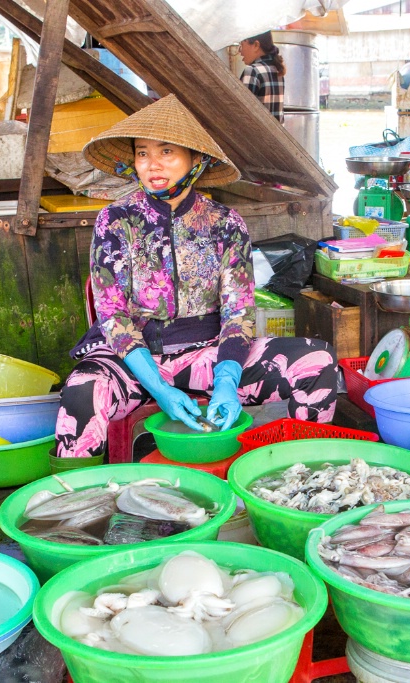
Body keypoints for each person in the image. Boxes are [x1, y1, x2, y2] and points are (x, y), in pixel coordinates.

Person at [57, 94, 338, 460]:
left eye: (166, 152)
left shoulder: (225, 223)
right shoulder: (115, 221)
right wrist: (158, 387)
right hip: (130, 359)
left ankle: (306, 480)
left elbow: (238, 313)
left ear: (195, 160)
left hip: (206, 354)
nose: (152, 164)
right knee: (81, 390)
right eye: (142, 153)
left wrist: (226, 380)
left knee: (317, 362)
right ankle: (79, 506)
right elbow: (112, 315)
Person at [238, 31, 285, 122]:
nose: (240, 52)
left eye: (242, 45)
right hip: (276, 135)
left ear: (256, 45)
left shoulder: (252, 71)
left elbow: (242, 114)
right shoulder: (277, 70)